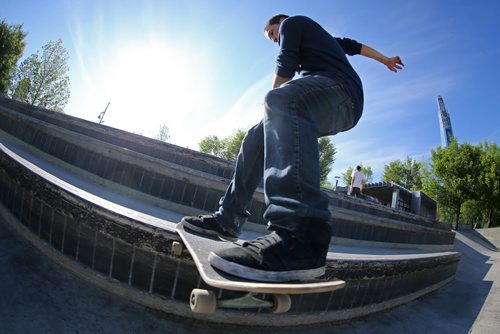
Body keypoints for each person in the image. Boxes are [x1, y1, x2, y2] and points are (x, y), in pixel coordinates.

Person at [182, 14, 404, 282]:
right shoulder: (323, 41)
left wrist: (273, 104)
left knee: (280, 99)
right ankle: (228, 218)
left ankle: (299, 236)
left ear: (279, 23)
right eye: (272, 38)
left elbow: (285, 62)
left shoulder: (293, 23)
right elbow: (354, 46)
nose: (274, 40)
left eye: (272, 34)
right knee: (255, 138)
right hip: (335, 101)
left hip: (340, 92)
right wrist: (385, 60)